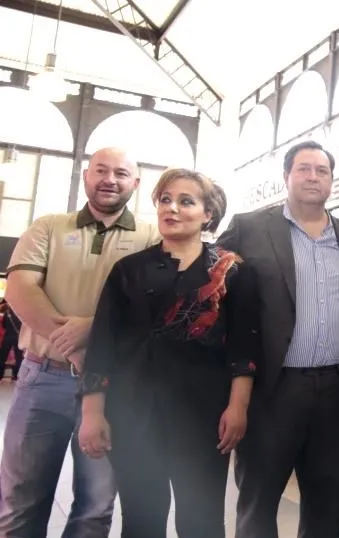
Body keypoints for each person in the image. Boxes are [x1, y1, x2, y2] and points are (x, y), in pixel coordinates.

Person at [76, 170, 258, 537]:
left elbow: (244, 346)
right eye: (165, 200)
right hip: (133, 412)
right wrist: (92, 412)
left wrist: (238, 407)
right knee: (142, 519)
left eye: (186, 201)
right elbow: (103, 345)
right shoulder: (128, 270)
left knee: (202, 520)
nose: (172, 208)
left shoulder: (232, 270)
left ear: (208, 214)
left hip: (203, 414)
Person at [0, 147, 160, 537]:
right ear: (86, 176)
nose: (110, 179)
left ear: (135, 183)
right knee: (20, 499)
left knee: (95, 505)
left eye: (121, 173)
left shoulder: (152, 237)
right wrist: (75, 348)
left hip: (114, 389)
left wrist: (92, 328)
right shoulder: (49, 227)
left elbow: (157, 307)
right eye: (101, 171)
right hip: (44, 379)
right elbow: (21, 289)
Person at [217, 140, 339, 538]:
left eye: (322, 170)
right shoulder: (249, 228)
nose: (313, 177)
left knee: (327, 503)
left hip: (337, 392)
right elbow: (215, 297)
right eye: (304, 168)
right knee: (259, 499)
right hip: (272, 388)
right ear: (286, 176)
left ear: (333, 180)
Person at [0, 300, 24, 381]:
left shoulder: (7, 312)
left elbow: (4, 325)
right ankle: (17, 375)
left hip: (7, 337)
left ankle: (0, 374)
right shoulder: (21, 313)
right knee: (19, 357)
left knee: (2, 356)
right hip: (18, 337)